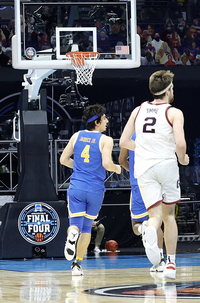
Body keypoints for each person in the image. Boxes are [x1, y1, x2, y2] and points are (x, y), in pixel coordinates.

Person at [119, 70, 189, 280]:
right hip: (166, 164)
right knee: (169, 216)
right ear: (168, 90)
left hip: (144, 167)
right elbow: (180, 144)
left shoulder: (139, 110)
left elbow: (123, 142)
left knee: (155, 216)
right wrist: (183, 158)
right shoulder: (174, 112)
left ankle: (149, 229)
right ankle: (171, 264)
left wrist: (142, 149)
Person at [59, 104, 122, 276]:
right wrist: (117, 169)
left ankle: (71, 237)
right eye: (105, 118)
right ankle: (76, 265)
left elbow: (63, 159)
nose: (107, 121)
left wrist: (79, 167)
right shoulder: (105, 140)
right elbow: (107, 164)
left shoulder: (76, 136)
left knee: (75, 226)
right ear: (97, 122)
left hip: (77, 187)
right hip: (95, 190)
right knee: (87, 228)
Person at [118, 133, 167, 271]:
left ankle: (142, 229)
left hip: (137, 183)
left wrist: (133, 171)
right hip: (155, 182)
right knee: (156, 221)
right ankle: (161, 260)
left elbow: (121, 160)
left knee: (136, 225)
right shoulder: (157, 131)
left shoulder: (131, 135)